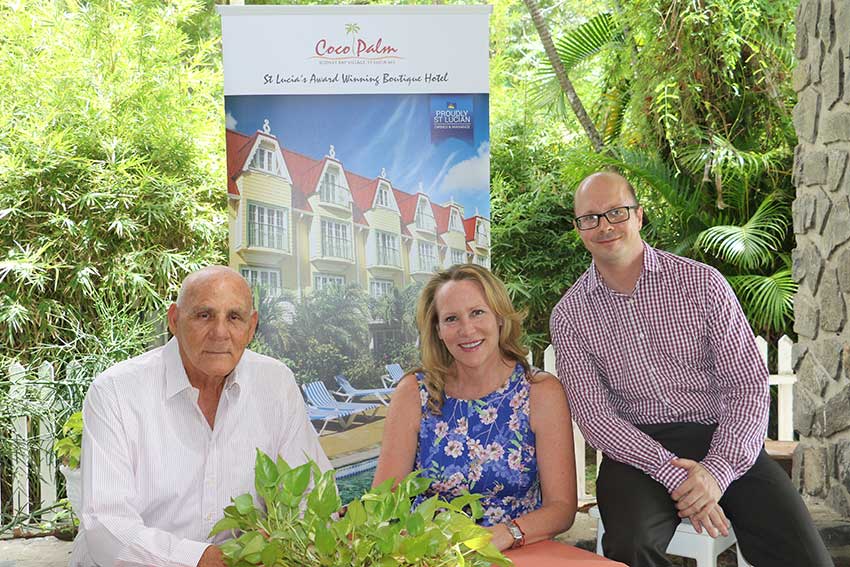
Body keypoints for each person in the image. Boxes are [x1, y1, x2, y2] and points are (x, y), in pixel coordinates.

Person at [550, 171, 832, 567]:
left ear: (639, 216)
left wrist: (715, 472)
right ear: (579, 228)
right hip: (636, 452)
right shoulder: (571, 315)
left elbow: (747, 386)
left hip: (721, 434)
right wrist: (675, 474)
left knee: (803, 552)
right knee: (631, 544)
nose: (604, 226)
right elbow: (596, 418)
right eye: (590, 218)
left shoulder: (701, 283)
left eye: (616, 212)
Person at [69, 266, 331, 567]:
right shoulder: (116, 391)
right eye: (204, 315)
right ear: (174, 320)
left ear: (251, 326)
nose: (220, 333)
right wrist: (203, 560)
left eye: (234, 317)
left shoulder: (276, 382)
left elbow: (311, 490)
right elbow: (106, 527)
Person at [373, 264, 576, 552]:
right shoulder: (414, 392)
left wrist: (507, 534)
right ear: (438, 330)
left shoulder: (540, 392)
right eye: (451, 318)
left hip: (516, 550)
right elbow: (384, 498)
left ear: (500, 317)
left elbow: (562, 509)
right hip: (431, 551)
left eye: (477, 312)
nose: (467, 329)